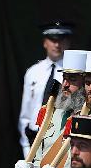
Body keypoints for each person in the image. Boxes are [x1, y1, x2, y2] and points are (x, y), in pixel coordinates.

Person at [19, 20, 73, 153]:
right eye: (52, 39)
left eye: (62, 39)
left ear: (68, 42)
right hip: (33, 136)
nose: (57, 44)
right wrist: (26, 145)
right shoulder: (33, 72)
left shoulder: (74, 73)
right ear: (45, 42)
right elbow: (26, 112)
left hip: (59, 139)